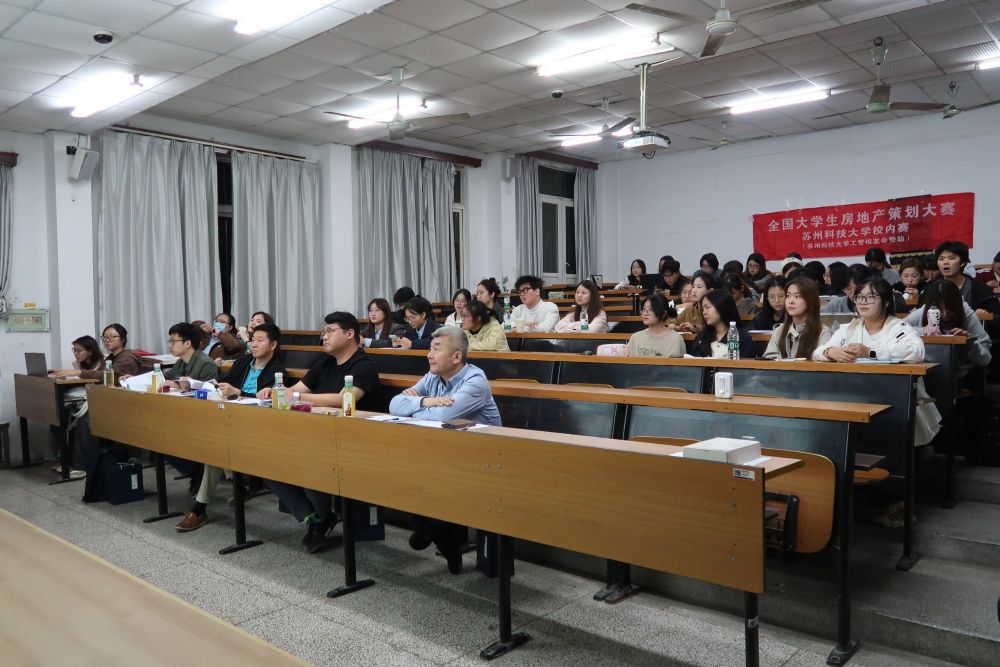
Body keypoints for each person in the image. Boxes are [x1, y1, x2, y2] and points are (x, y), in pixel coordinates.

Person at [262, 312, 380, 553]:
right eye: (323, 332)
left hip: (350, 438)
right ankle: (318, 517)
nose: (324, 337)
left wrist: (296, 396)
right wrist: (276, 391)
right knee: (267, 461)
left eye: (330, 331)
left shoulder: (363, 366)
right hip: (315, 432)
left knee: (307, 461)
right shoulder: (324, 361)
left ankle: (321, 518)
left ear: (350, 334)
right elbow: (296, 389)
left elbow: (343, 399)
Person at [389, 327, 502, 574]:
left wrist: (415, 406)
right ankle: (441, 538)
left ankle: (434, 533)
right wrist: (426, 401)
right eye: (430, 348)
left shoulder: (475, 380)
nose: (429, 354)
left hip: (483, 458)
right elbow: (395, 405)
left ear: (456, 357)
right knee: (399, 477)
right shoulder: (433, 376)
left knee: (426, 481)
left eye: (436, 349)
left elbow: (444, 416)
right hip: (445, 452)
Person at [175, 323, 287, 533]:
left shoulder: (278, 371)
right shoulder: (244, 362)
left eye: (260, 340)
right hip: (230, 419)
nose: (254, 344)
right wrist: (213, 386)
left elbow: (268, 401)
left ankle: (200, 508)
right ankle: (236, 486)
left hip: (257, 425)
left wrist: (239, 393)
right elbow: (223, 382)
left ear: (273, 345)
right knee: (214, 443)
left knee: (217, 449)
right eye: (252, 340)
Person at [905, 280, 992, 368]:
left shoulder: (966, 312)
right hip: (927, 367)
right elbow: (899, 328)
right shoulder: (926, 311)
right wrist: (921, 330)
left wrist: (971, 342)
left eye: (950, 309)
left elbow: (985, 359)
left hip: (959, 369)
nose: (945, 314)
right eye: (940, 309)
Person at [763, 278, 832, 359]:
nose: (790, 301)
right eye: (788, 296)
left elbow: (822, 363)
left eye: (797, 296)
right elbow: (769, 358)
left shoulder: (822, 332)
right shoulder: (780, 331)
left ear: (810, 300)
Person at [936, 241, 997, 316]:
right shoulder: (931, 289)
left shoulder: (982, 290)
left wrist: (983, 315)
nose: (945, 262)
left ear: (963, 263)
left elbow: (995, 317)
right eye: (941, 259)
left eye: (951, 258)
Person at [690, 289, 755, 358]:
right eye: (703, 309)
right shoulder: (703, 337)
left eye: (707, 307)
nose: (704, 312)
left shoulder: (742, 337)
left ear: (722, 306)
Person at [159, 322, 219, 388]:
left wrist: (178, 385)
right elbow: (166, 377)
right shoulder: (181, 361)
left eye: (173, 341)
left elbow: (210, 389)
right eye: (169, 341)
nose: (170, 345)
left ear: (187, 344)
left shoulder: (207, 364)